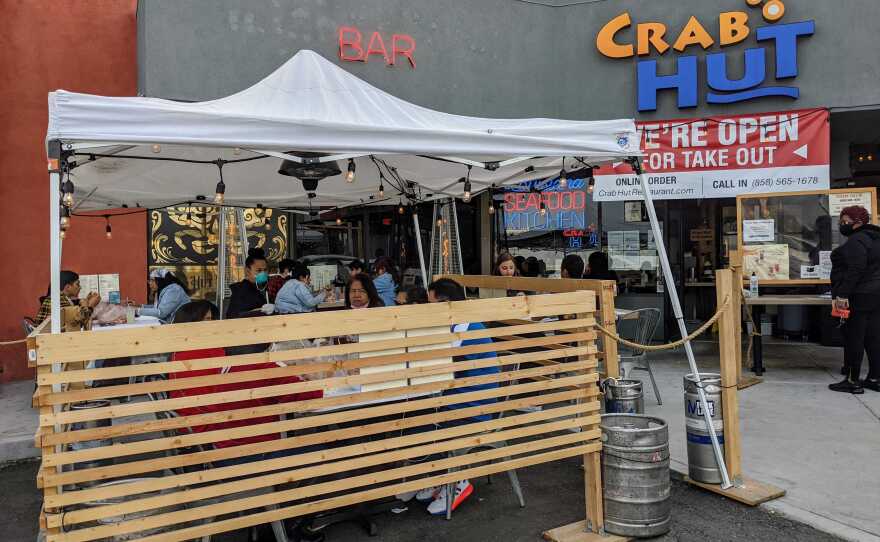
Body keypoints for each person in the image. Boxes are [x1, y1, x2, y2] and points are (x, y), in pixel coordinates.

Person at [168, 300, 325, 541]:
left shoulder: (181, 357)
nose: (214, 326)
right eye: (208, 320)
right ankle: (288, 525)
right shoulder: (248, 366)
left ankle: (275, 520)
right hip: (236, 452)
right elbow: (313, 395)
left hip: (207, 446)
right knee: (322, 453)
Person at [412, 278, 499, 516]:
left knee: (422, 422)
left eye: (433, 305)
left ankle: (458, 479)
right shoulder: (459, 325)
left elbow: (447, 367)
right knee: (419, 417)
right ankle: (441, 475)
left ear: (448, 303)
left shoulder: (467, 330)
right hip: (462, 397)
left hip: (473, 405)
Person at [829, 205, 880, 393]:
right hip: (876, 295)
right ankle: (875, 377)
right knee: (873, 337)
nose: (842, 225)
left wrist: (842, 295)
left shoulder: (856, 241)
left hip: (858, 296)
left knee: (854, 338)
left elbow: (854, 271)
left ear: (858, 222)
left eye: (845, 221)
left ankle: (852, 380)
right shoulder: (875, 239)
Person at [35, 270, 100, 325]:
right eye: (77, 284)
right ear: (68, 287)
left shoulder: (60, 298)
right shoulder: (57, 300)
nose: (80, 287)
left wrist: (86, 301)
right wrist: (91, 306)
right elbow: (76, 322)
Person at [227, 247, 274, 319]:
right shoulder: (240, 291)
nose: (263, 273)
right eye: (259, 270)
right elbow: (234, 315)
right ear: (247, 271)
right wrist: (260, 311)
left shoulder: (270, 287)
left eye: (265, 270)